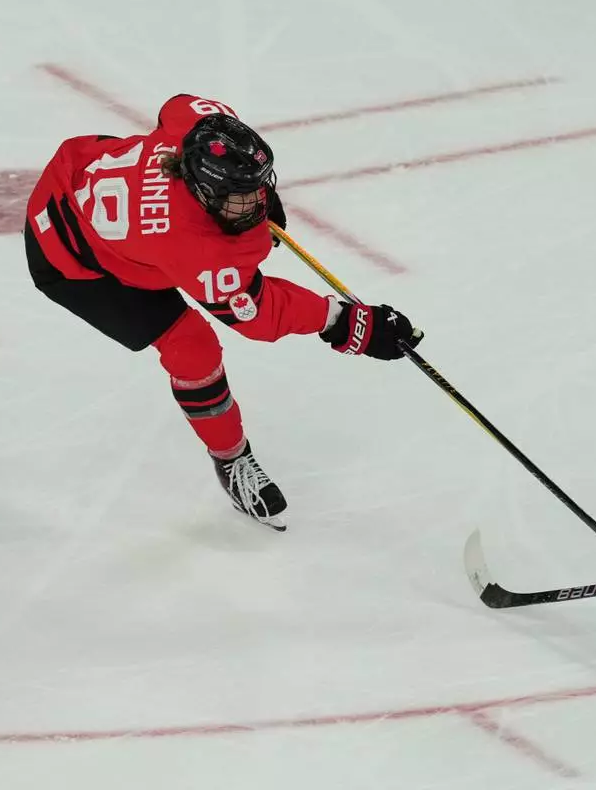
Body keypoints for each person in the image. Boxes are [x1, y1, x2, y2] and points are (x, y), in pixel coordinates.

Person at [24, 94, 423, 532]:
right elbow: (259, 316)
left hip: (80, 172)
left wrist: (251, 200)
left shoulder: (199, 126)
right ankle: (232, 459)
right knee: (192, 348)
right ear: (203, 189)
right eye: (240, 195)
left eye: (259, 185)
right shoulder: (192, 246)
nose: (255, 202)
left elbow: (179, 105)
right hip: (74, 259)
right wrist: (346, 323)